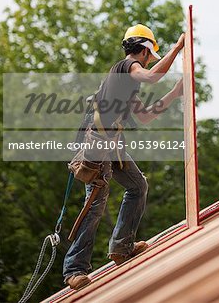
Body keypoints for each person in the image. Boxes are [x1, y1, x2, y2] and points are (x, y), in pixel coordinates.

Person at [64, 24, 184, 290]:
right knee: (94, 204)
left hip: (111, 146)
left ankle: (121, 247)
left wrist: (175, 94)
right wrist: (177, 48)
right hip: (95, 145)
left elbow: (144, 116)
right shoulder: (125, 67)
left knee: (137, 186)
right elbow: (151, 77)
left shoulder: (126, 87)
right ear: (143, 50)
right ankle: (73, 270)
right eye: (150, 54)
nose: (150, 59)